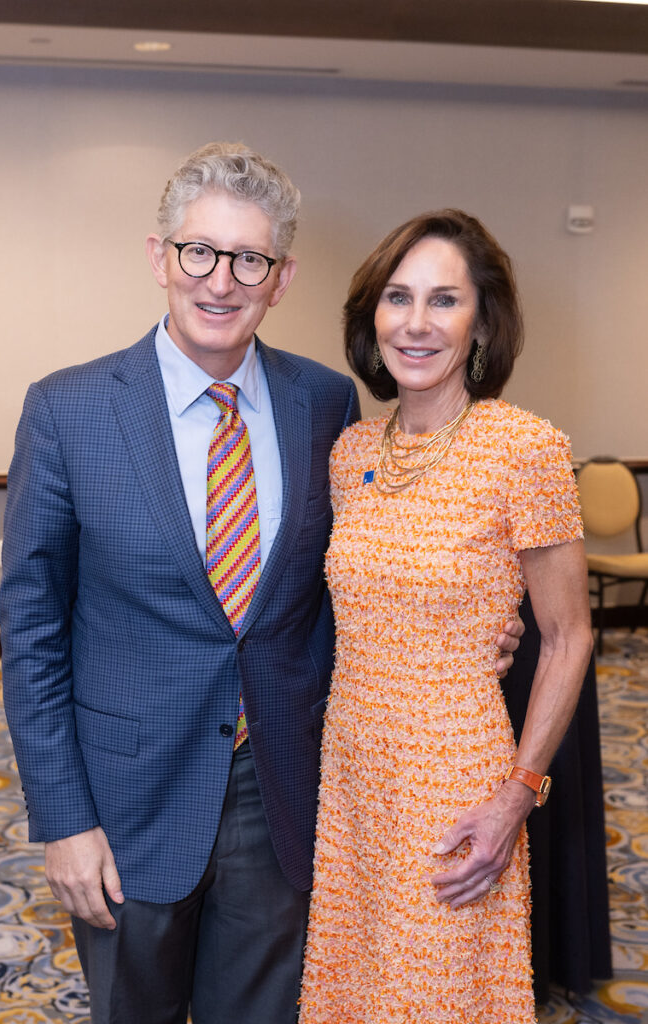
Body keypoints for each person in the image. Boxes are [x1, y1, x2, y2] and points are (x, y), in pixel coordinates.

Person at [0, 147, 522, 1024]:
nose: (220, 281)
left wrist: (477, 630)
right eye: (199, 252)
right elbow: (33, 632)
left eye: (250, 260)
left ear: (279, 279)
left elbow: (368, 567)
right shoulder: (68, 410)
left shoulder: (326, 405)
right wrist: (63, 819)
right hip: (125, 803)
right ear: (159, 257)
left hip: (283, 790)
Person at [298, 209, 594, 1024]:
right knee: (353, 990)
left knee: (434, 999)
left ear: (481, 322)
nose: (416, 323)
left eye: (443, 300)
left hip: (454, 782)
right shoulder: (351, 450)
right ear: (372, 318)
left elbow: (568, 635)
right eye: (398, 298)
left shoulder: (522, 448)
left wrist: (516, 797)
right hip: (353, 777)